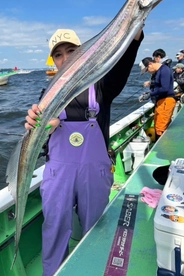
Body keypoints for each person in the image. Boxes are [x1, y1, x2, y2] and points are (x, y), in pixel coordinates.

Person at [24, 27, 143, 276]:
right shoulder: (47, 94)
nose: (65, 58)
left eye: (71, 51)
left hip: (94, 172)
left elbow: (125, 58)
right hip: (58, 173)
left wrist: (136, 29)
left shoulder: (102, 85)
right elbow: (41, 135)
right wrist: (37, 127)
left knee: (96, 229)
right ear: (53, 61)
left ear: (83, 53)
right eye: (58, 54)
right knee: (55, 228)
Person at [139, 58, 176, 141]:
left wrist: (150, 94)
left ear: (150, 64)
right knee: (157, 125)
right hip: (161, 102)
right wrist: (149, 92)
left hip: (166, 101)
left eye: (147, 69)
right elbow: (158, 86)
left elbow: (165, 88)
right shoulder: (159, 71)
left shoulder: (164, 71)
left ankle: (163, 149)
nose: (148, 72)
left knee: (160, 129)